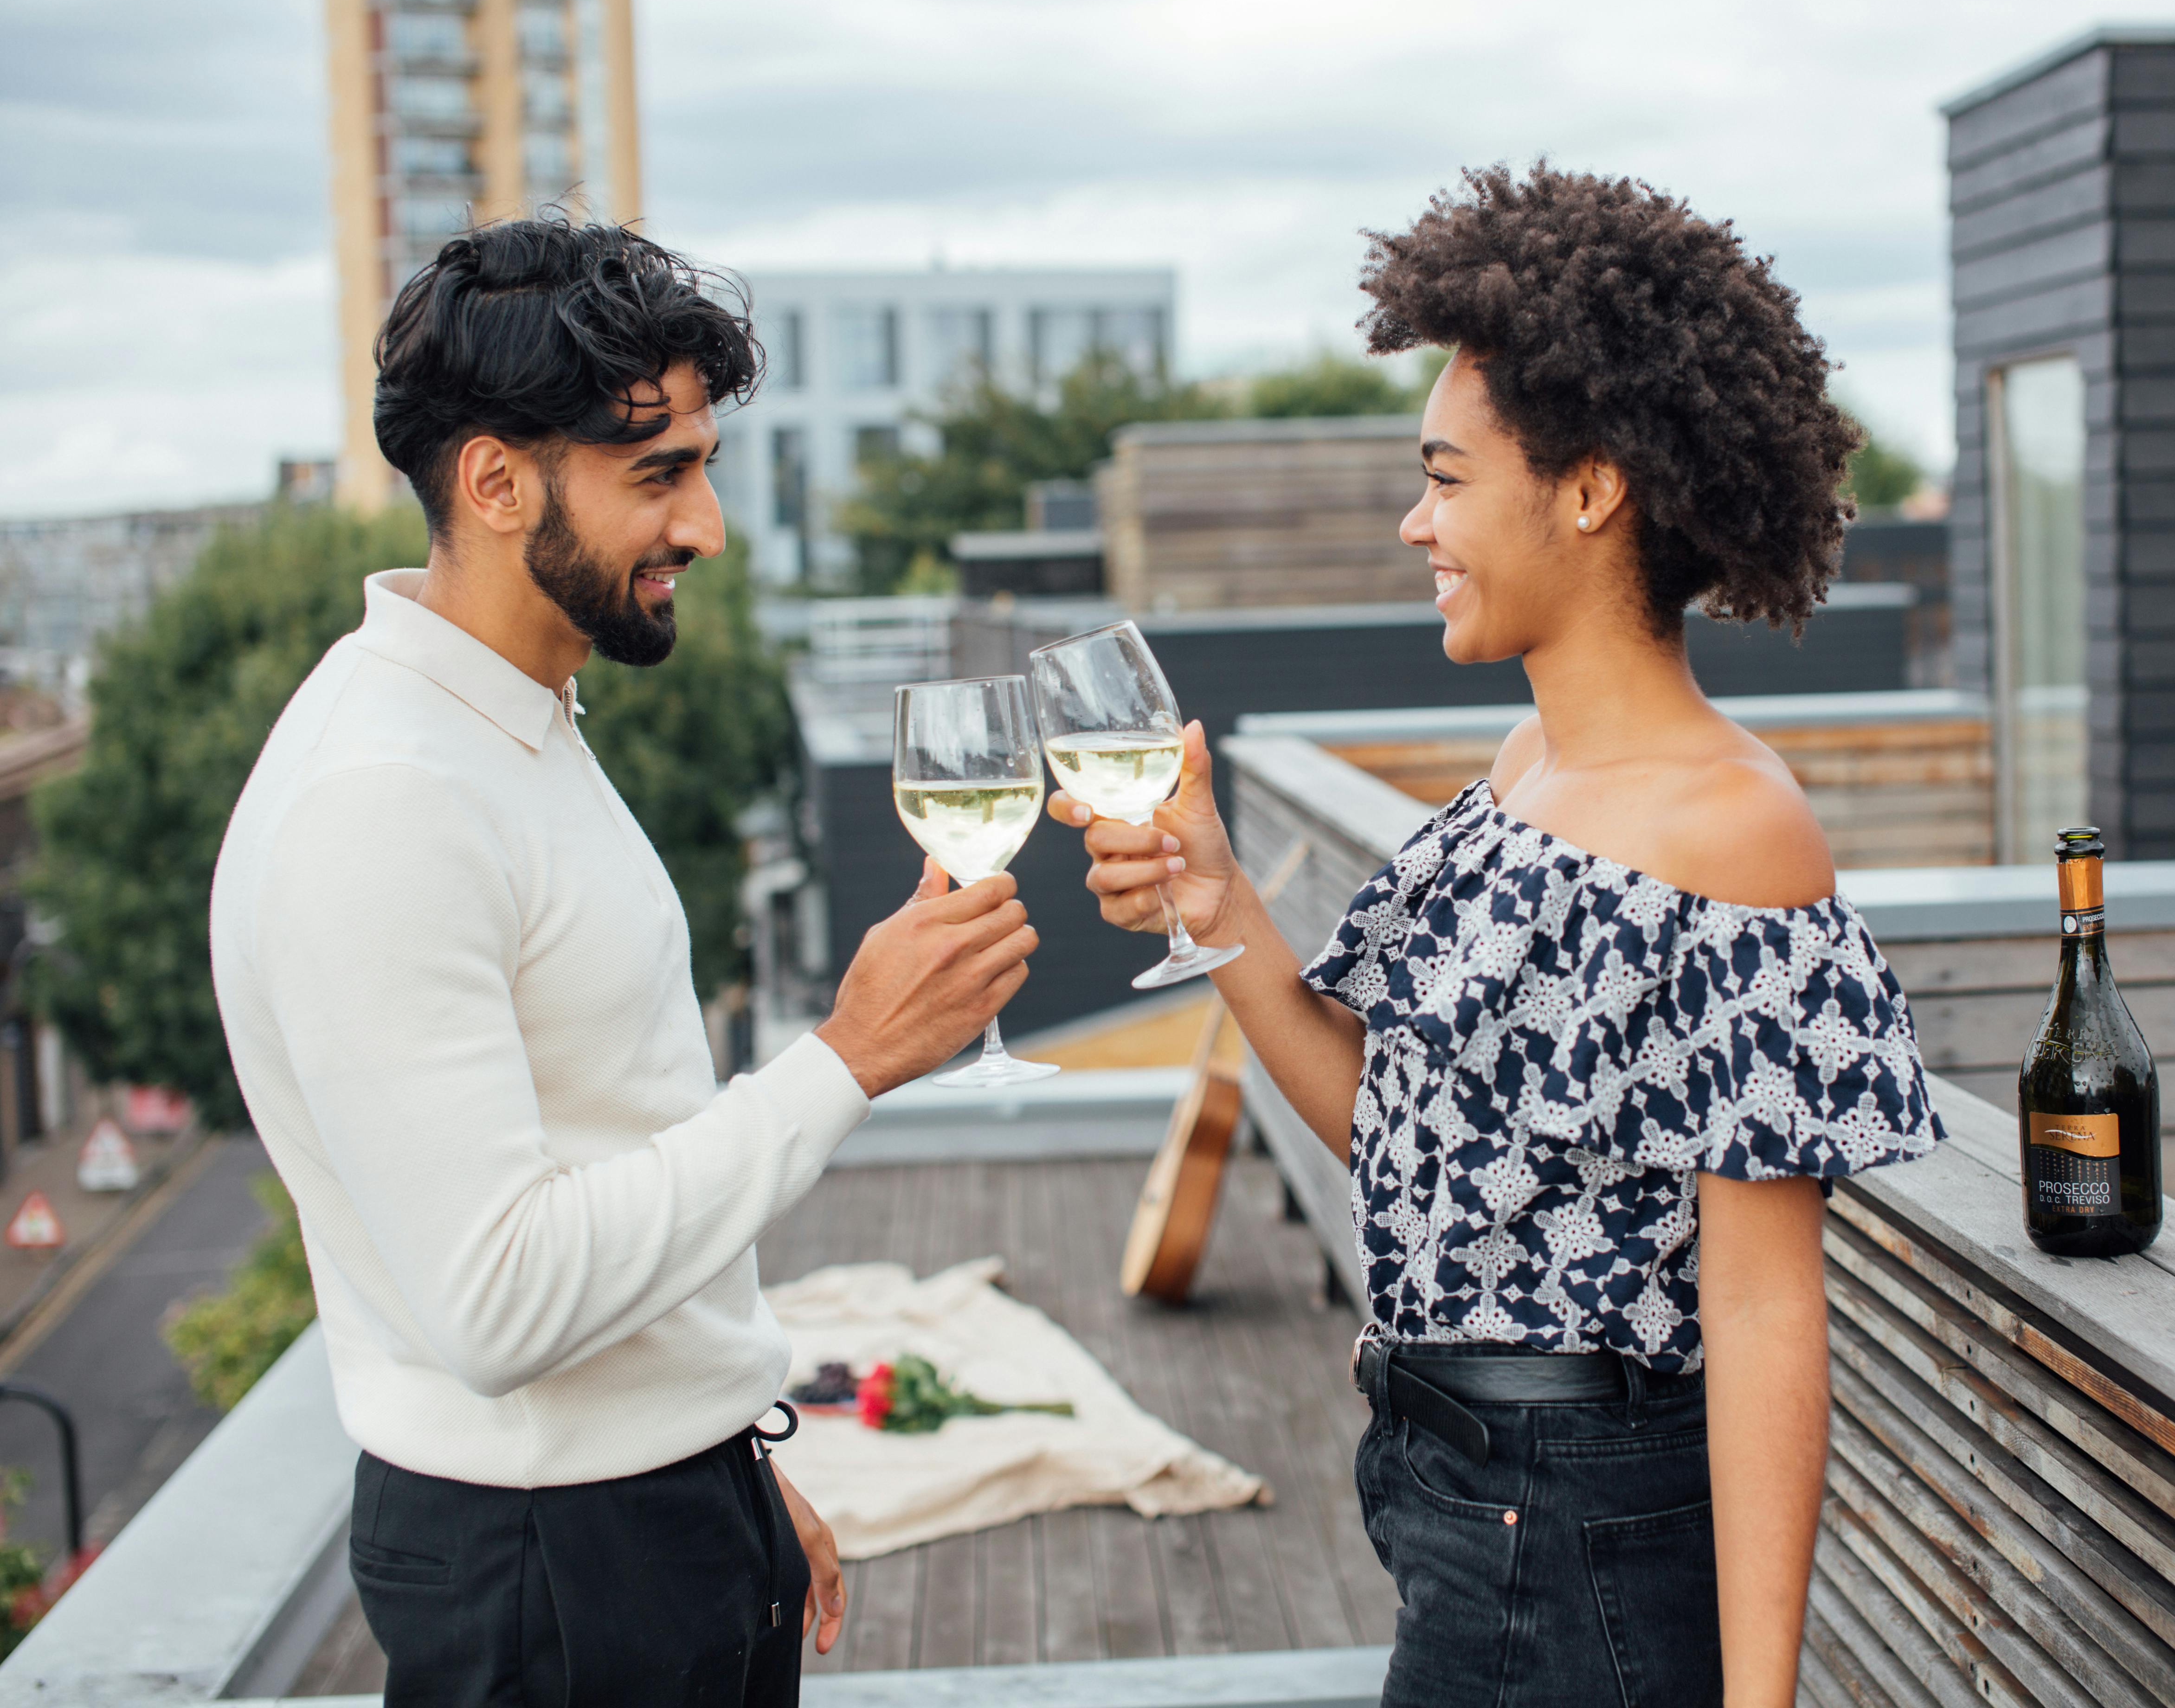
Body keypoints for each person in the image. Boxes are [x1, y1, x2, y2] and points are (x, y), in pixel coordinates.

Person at [1052, 165, 1940, 1707]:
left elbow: (1763, 1307)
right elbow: (1400, 1143)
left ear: (1590, 488)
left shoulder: (1733, 831)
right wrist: (1219, 898)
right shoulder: (1530, 770)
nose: (1418, 522)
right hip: (1449, 1491)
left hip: (1580, 1533)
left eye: (1449, 478)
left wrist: (1761, 1701)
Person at [209, 216, 1038, 1706]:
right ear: (495, 479)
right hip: (557, 1571)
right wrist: (845, 1059)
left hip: (638, 1519)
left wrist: (715, 1462)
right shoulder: (384, 798)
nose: (708, 525)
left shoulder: (508, 718)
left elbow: (612, 1125)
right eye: (660, 473)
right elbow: (500, 1303)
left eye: (704, 465)